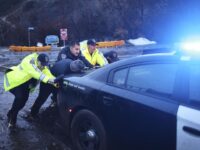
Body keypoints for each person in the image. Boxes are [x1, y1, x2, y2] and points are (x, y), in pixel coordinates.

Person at [4, 53, 55, 128]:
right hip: (15, 81)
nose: (43, 66)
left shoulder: (42, 66)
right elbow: (38, 74)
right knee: (19, 98)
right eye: (42, 64)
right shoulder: (28, 62)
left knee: (23, 102)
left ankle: (11, 112)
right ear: (38, 61)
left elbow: (47, 73)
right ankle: (12, 121)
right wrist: (49, 80)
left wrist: (55, 81)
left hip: (25, 85)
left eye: (45, 65)